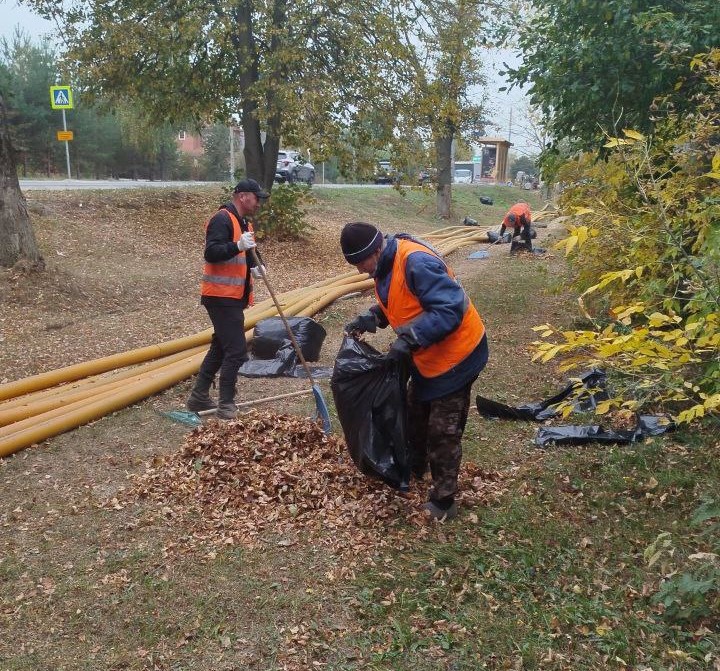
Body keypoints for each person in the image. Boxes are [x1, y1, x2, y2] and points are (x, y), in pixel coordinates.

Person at [340, 222, 489, 521]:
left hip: (458, 355)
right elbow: (405, 298)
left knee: (442, 430)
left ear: (376, 249)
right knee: (414, 413)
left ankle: (444, 501)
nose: (359, 271)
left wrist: (409, 338)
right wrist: (374, 316)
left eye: (360, 262)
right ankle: (416, 467)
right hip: (428, 357)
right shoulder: (385, 264)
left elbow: (449, 309)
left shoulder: (415, 261)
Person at [186, 178, 269, 420]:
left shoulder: (245, 223)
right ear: (243, 196)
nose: (258, 203)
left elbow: (249, 251)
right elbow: (211, 253)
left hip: (233, 297)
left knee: (221, 345)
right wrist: (237, 245)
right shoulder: (221, 219)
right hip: (220, 296)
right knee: (237, 351)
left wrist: (258, 266)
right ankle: (226, 404)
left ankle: (199, 396)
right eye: (256, 198)